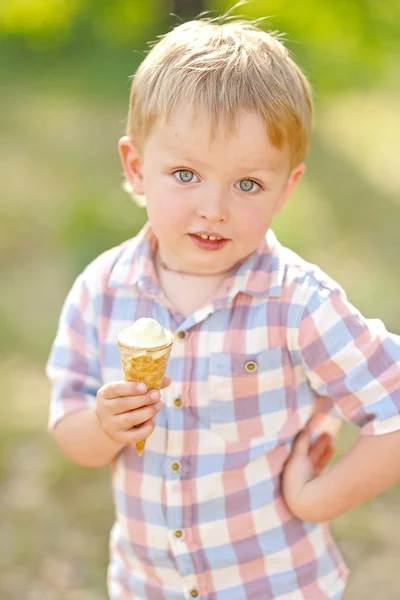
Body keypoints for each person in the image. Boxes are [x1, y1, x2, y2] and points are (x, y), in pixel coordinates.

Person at [46, 15, 400, 600]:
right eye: (185, 174)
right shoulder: (101, 290)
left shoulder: (298, 304)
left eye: (248, 184)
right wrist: (103, 426)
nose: (213, 208)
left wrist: (318, 498)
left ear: (287, 187)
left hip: (275, 584)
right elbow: (69, 426)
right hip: (147, 585)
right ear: (136, 168)